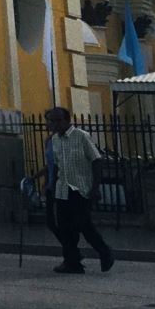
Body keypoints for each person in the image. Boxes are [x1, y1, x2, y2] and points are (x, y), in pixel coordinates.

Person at [46, 107, 114, 274]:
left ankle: (104, 251)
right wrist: (51, 185)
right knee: (65, 227)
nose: (54, 124)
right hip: (62, 189)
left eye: (58, 120)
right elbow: (55, 165)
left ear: (67, 120)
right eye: (52, 121)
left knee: (84, 224)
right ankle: (72, 262)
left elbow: (96, 160)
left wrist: (95, 187)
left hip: (81, 188)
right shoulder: (54, 140)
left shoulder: (81, 136)